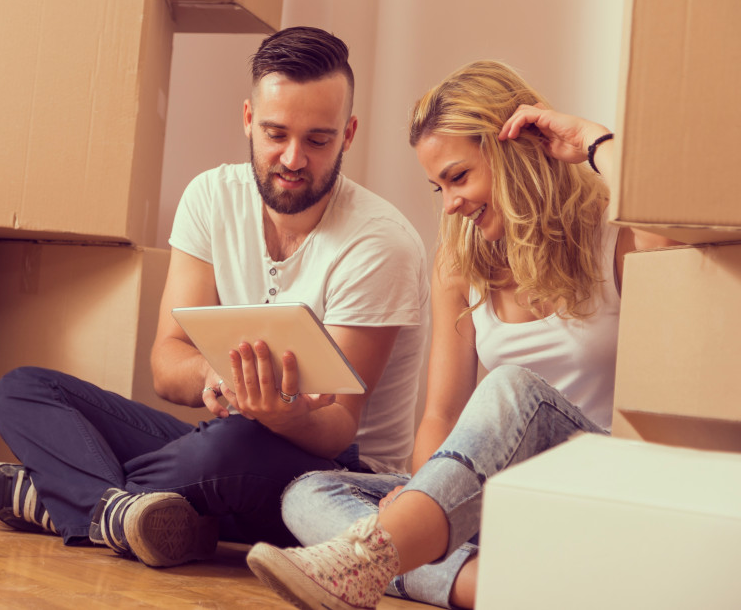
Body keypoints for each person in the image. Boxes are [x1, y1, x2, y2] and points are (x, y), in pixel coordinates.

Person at [0, 26, 430, 569]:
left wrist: (278, 414)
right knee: (21, 390)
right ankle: (122, 513)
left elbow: (336, 430)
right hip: (225, 441)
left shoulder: (380, 242)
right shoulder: (210, 197)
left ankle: (64, 495)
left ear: (348, 135)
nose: (293, 158)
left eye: (318, 140)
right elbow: (168, 363)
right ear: (248, 120)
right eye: (276, 133)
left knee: (225, 447)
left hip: (338, 479)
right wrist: (215, 378)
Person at [245, 59, 679, 609]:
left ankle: (372, 562)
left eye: (458, 176)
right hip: (505, 501)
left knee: (513, 388)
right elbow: (441, 417)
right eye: (438, 186)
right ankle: (518, 591)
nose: (449, 202)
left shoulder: (615, 241)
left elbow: (672, 231)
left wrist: (593, 140)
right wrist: (425, 490)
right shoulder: (460, 261)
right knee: (308, 494)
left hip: (599, 487)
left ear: (514, 156)